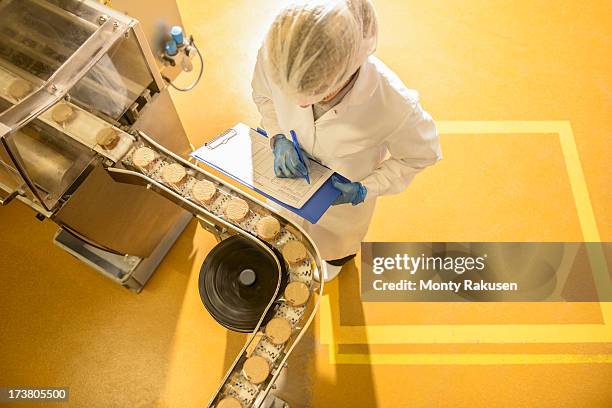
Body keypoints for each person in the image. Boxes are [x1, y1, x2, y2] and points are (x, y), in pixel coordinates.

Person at [252, 0, 442, 281]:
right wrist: (278, 137)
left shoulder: (393, 105)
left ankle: (336, 259)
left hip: (340, 214)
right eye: (292, 95)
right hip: (286, 188)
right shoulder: (279, 57)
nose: (302, 106)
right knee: (283, 232)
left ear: (350, 66)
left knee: (333, 249)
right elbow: (265, 96)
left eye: (321, 94)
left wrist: (364, 189)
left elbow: (421, 155)